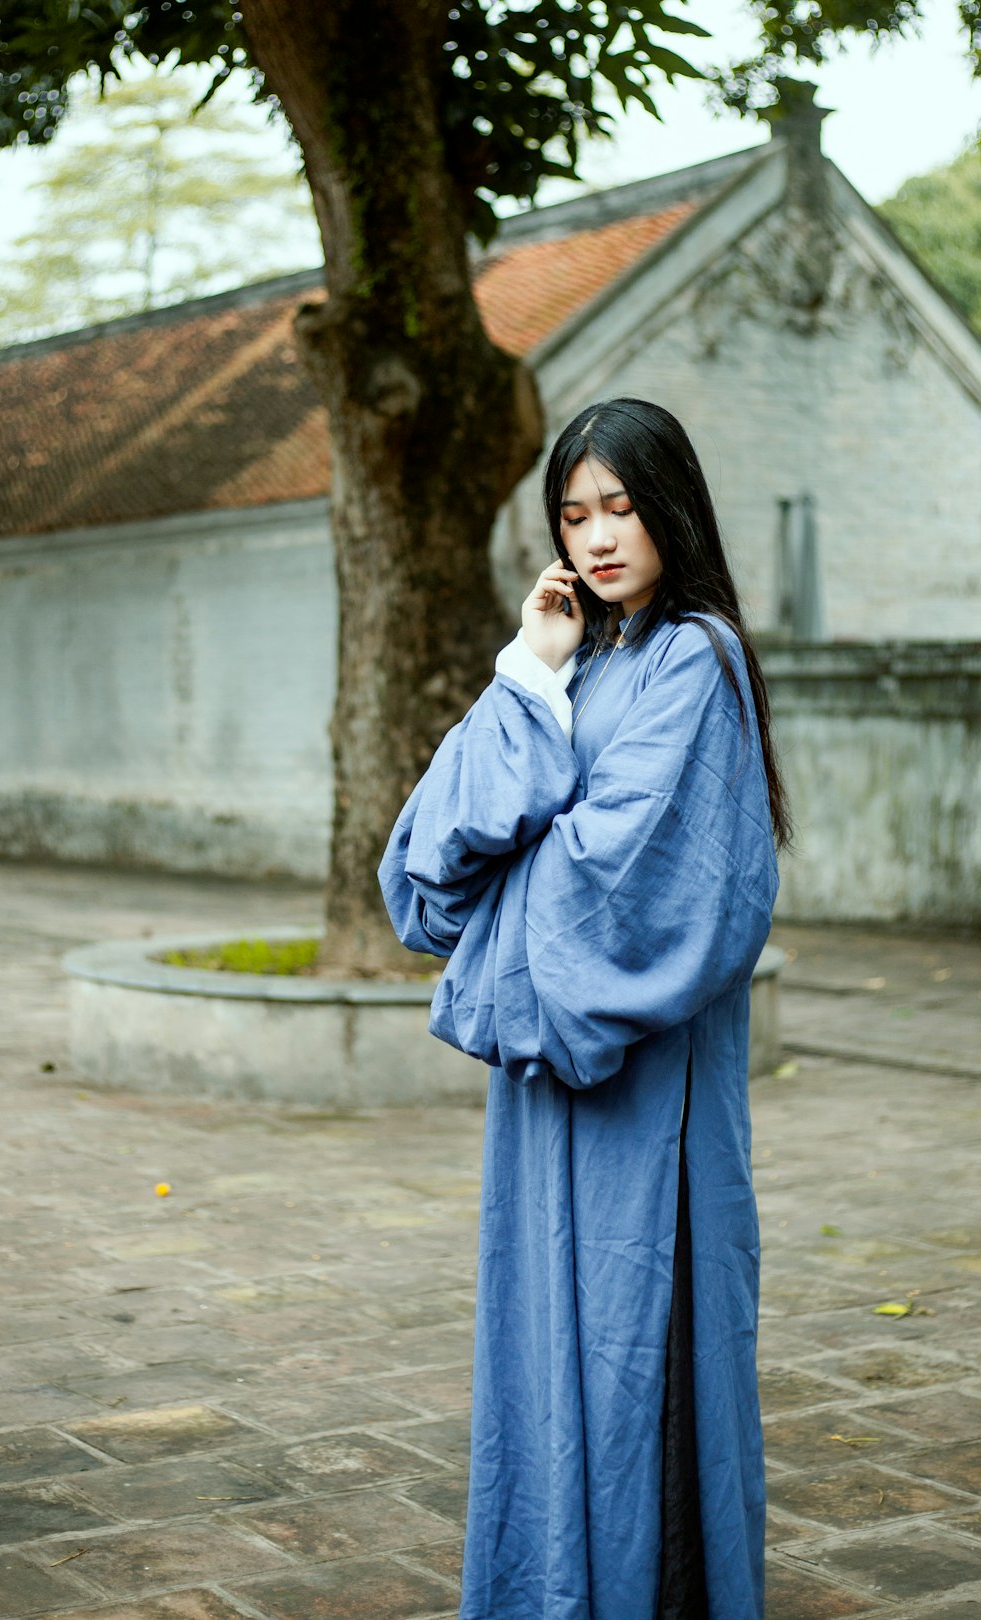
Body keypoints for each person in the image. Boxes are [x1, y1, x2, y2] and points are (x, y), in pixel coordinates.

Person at [377, 397, 790, 1620]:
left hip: (638, 1095)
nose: (599, 537)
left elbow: (619, 885)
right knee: (543, 1358)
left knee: (630, 1367)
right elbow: (424, 865)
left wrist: (527, 850)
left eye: (620, 507)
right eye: (574, 513)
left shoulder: (696, 661)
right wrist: (531, 671)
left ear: (671, 508)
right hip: (540, 1089)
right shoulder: (592, 653)